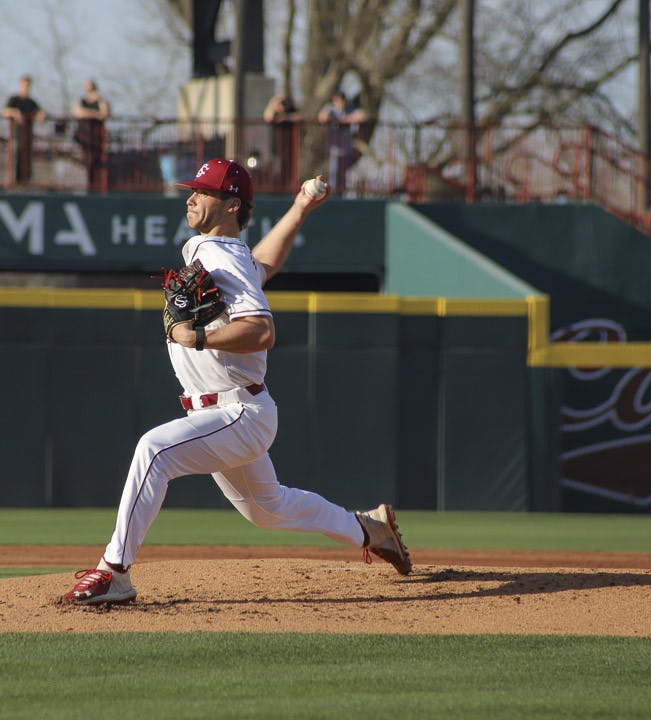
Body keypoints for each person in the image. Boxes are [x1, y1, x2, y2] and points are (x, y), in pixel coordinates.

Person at [62, 158, 412, 605]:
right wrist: (301, 207)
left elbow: (262, 330)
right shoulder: (220, 251)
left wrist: (200, 335)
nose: (190, 197)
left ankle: (114, 573)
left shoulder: (218, 253)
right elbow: (263, 261)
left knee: (154, 450)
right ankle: (369, 529)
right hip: (223, 412)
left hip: (239, 412)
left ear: (230, 204)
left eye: (202, 191)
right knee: (270, 508)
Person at [317, 92, 367, 195]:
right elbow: (322, 118)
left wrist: (344, 120)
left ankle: (341, 195)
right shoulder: (330, 109)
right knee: (333, 173)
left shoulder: (349, 109)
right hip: (334, 148)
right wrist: (335, 119)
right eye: (337, 100)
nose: (340, 103)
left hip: (347, 148)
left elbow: (362, 116)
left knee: (344, 175)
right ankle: (332, 195)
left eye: (342, 100)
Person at [2, 75, 46, 184]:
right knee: (15, 158)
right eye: (24, 85)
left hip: (27, 137)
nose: (26, 88)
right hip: (15, 135)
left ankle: (26, 181)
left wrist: (40, 115)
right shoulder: (14, 99)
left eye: (28, 86)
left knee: (27, 160)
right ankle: (13, 182)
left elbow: (41, 113)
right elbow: (4, 111)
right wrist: (15, 113)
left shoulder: (31, 102)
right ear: (20, 85)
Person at [72, 79, 110, 192]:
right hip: (83, 137)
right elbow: (78, 113)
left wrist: (88, 113)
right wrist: (95, 114)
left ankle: (95, 188)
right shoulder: (81, 100)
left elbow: (104, 114)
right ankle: (87, 187)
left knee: (97, 163)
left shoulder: (100, 101)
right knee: (84, 163)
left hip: (97, 139)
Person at [263, 93, 302, 191]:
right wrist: (274, 101)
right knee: (276, 169)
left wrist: (286, 117)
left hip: (290, 147)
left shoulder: (290, 112)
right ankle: (276, 189)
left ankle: (288, 188)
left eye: (283, 104)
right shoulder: (275, 114)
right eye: (280, 104)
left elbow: (300, 117)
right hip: (276, 148)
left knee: (289, 170)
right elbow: (267, 117)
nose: (281, 106)